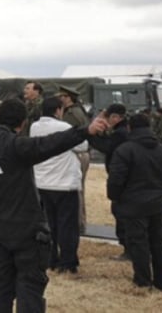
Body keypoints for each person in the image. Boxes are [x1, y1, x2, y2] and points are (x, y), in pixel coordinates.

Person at [0, 98, 109, 312]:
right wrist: (85, 131)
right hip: (23, 232)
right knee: (30, 288)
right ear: (22, 123)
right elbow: (50, 144)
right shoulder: (14, 146)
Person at [107, 112, 162, 291]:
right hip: (157, 203)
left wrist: (115, 197)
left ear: (130, 127)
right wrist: (160, 192)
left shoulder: (124, 150)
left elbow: (116, 179)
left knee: (138, 243)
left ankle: (143, 280)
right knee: (159, 242)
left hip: (132, 204)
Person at [30, 96, 86, 274]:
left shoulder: (34, 127)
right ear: (58, 110)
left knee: (49, 225)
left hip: (42, 183)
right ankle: (68, 262)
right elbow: (82, 145)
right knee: (67, 226)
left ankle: (50, 259)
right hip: (64, 184)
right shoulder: (64, 127)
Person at [89, 102, 130, 258]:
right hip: (127, 177)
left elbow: (106, 147)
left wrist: (90, 135)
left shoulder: (120, 133)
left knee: (120, 211)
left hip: (120, 177)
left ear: (115, 117)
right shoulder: (124, 130)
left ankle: (128, 248)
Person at [57, 85, 90, 233]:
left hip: (77, 153)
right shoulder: (78, 111)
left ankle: (78, 224)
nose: (60, 100)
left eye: (61, 97)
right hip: (80, 153)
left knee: (76, 190)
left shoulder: (71, 114)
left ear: (68, 98)